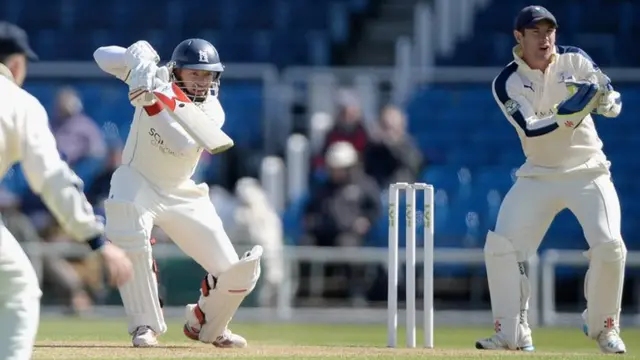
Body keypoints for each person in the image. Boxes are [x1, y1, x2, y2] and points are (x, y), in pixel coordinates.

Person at [93, 39, 262, 348]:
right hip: (137, 180)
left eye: (207, 75)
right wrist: (137, 59)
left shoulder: (213, 112)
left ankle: (207, 324)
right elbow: (100, 56)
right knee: (126, 221)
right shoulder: (152, 77)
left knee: (236, 273)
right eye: (193, 73)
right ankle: (144, 325)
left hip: (181, 191)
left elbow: (180, 143)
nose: (201, 80)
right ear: (177, 72)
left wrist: (152, 101)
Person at [476, 6, 625, 354]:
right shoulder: (507, 82)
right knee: (501, 246)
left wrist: (606, 102)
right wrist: (570, 113)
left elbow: (610, 96)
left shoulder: (575, 61)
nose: (545, 39)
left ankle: (604, 326)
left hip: (588, 170)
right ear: (519, 37)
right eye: (536, 32)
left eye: (549, 31)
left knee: (610, 246)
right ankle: (511, 334)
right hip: (539, 174)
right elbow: (530, 127)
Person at [0, 21, 133, 360]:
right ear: (16, 64)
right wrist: (95, 238)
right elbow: (51, 177)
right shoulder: (20, 103)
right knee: (19, 289)